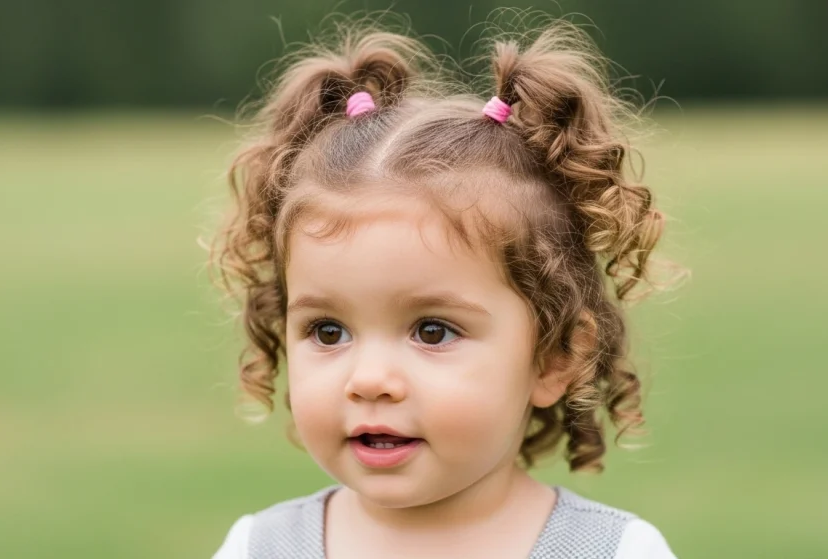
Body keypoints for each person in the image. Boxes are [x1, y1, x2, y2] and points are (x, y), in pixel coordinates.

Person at [209, 16, 677, 559]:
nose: (369, 380)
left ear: (554, 358)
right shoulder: (260, 548)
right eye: (328, 330)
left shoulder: (612, 552)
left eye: (433, 331)